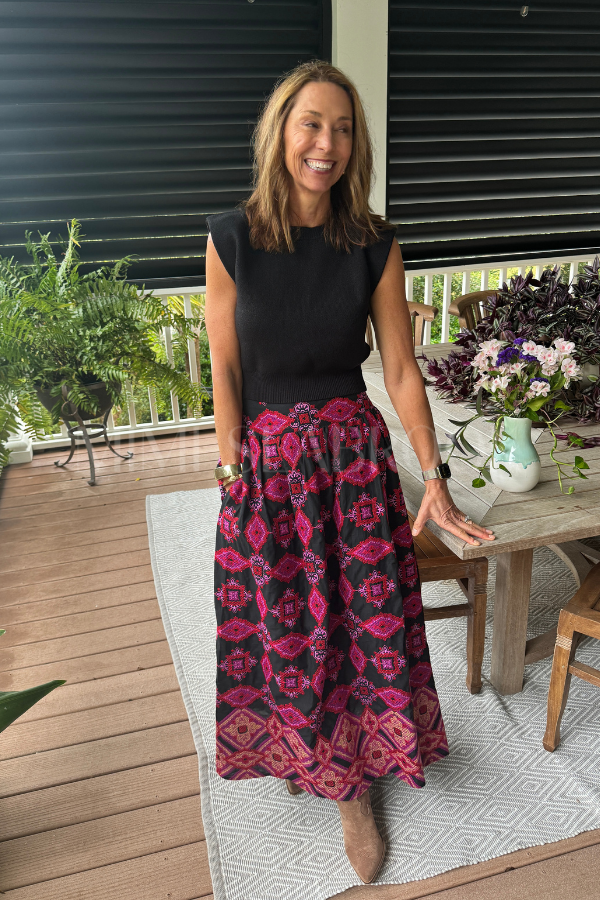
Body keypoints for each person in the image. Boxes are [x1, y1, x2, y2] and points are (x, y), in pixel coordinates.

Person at [204, 60, 495, 885]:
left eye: (341, 129)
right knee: (287, 626)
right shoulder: (231, 239)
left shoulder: (373, 243)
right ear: (281, 132)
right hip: (268, 468)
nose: (325, 144)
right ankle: (306, 749)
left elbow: (399, 368)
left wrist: (434, 474)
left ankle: (354, 789)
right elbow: (225, 368)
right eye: (311, 124)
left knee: (361, 626)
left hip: (355, 467)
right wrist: (230, 472)